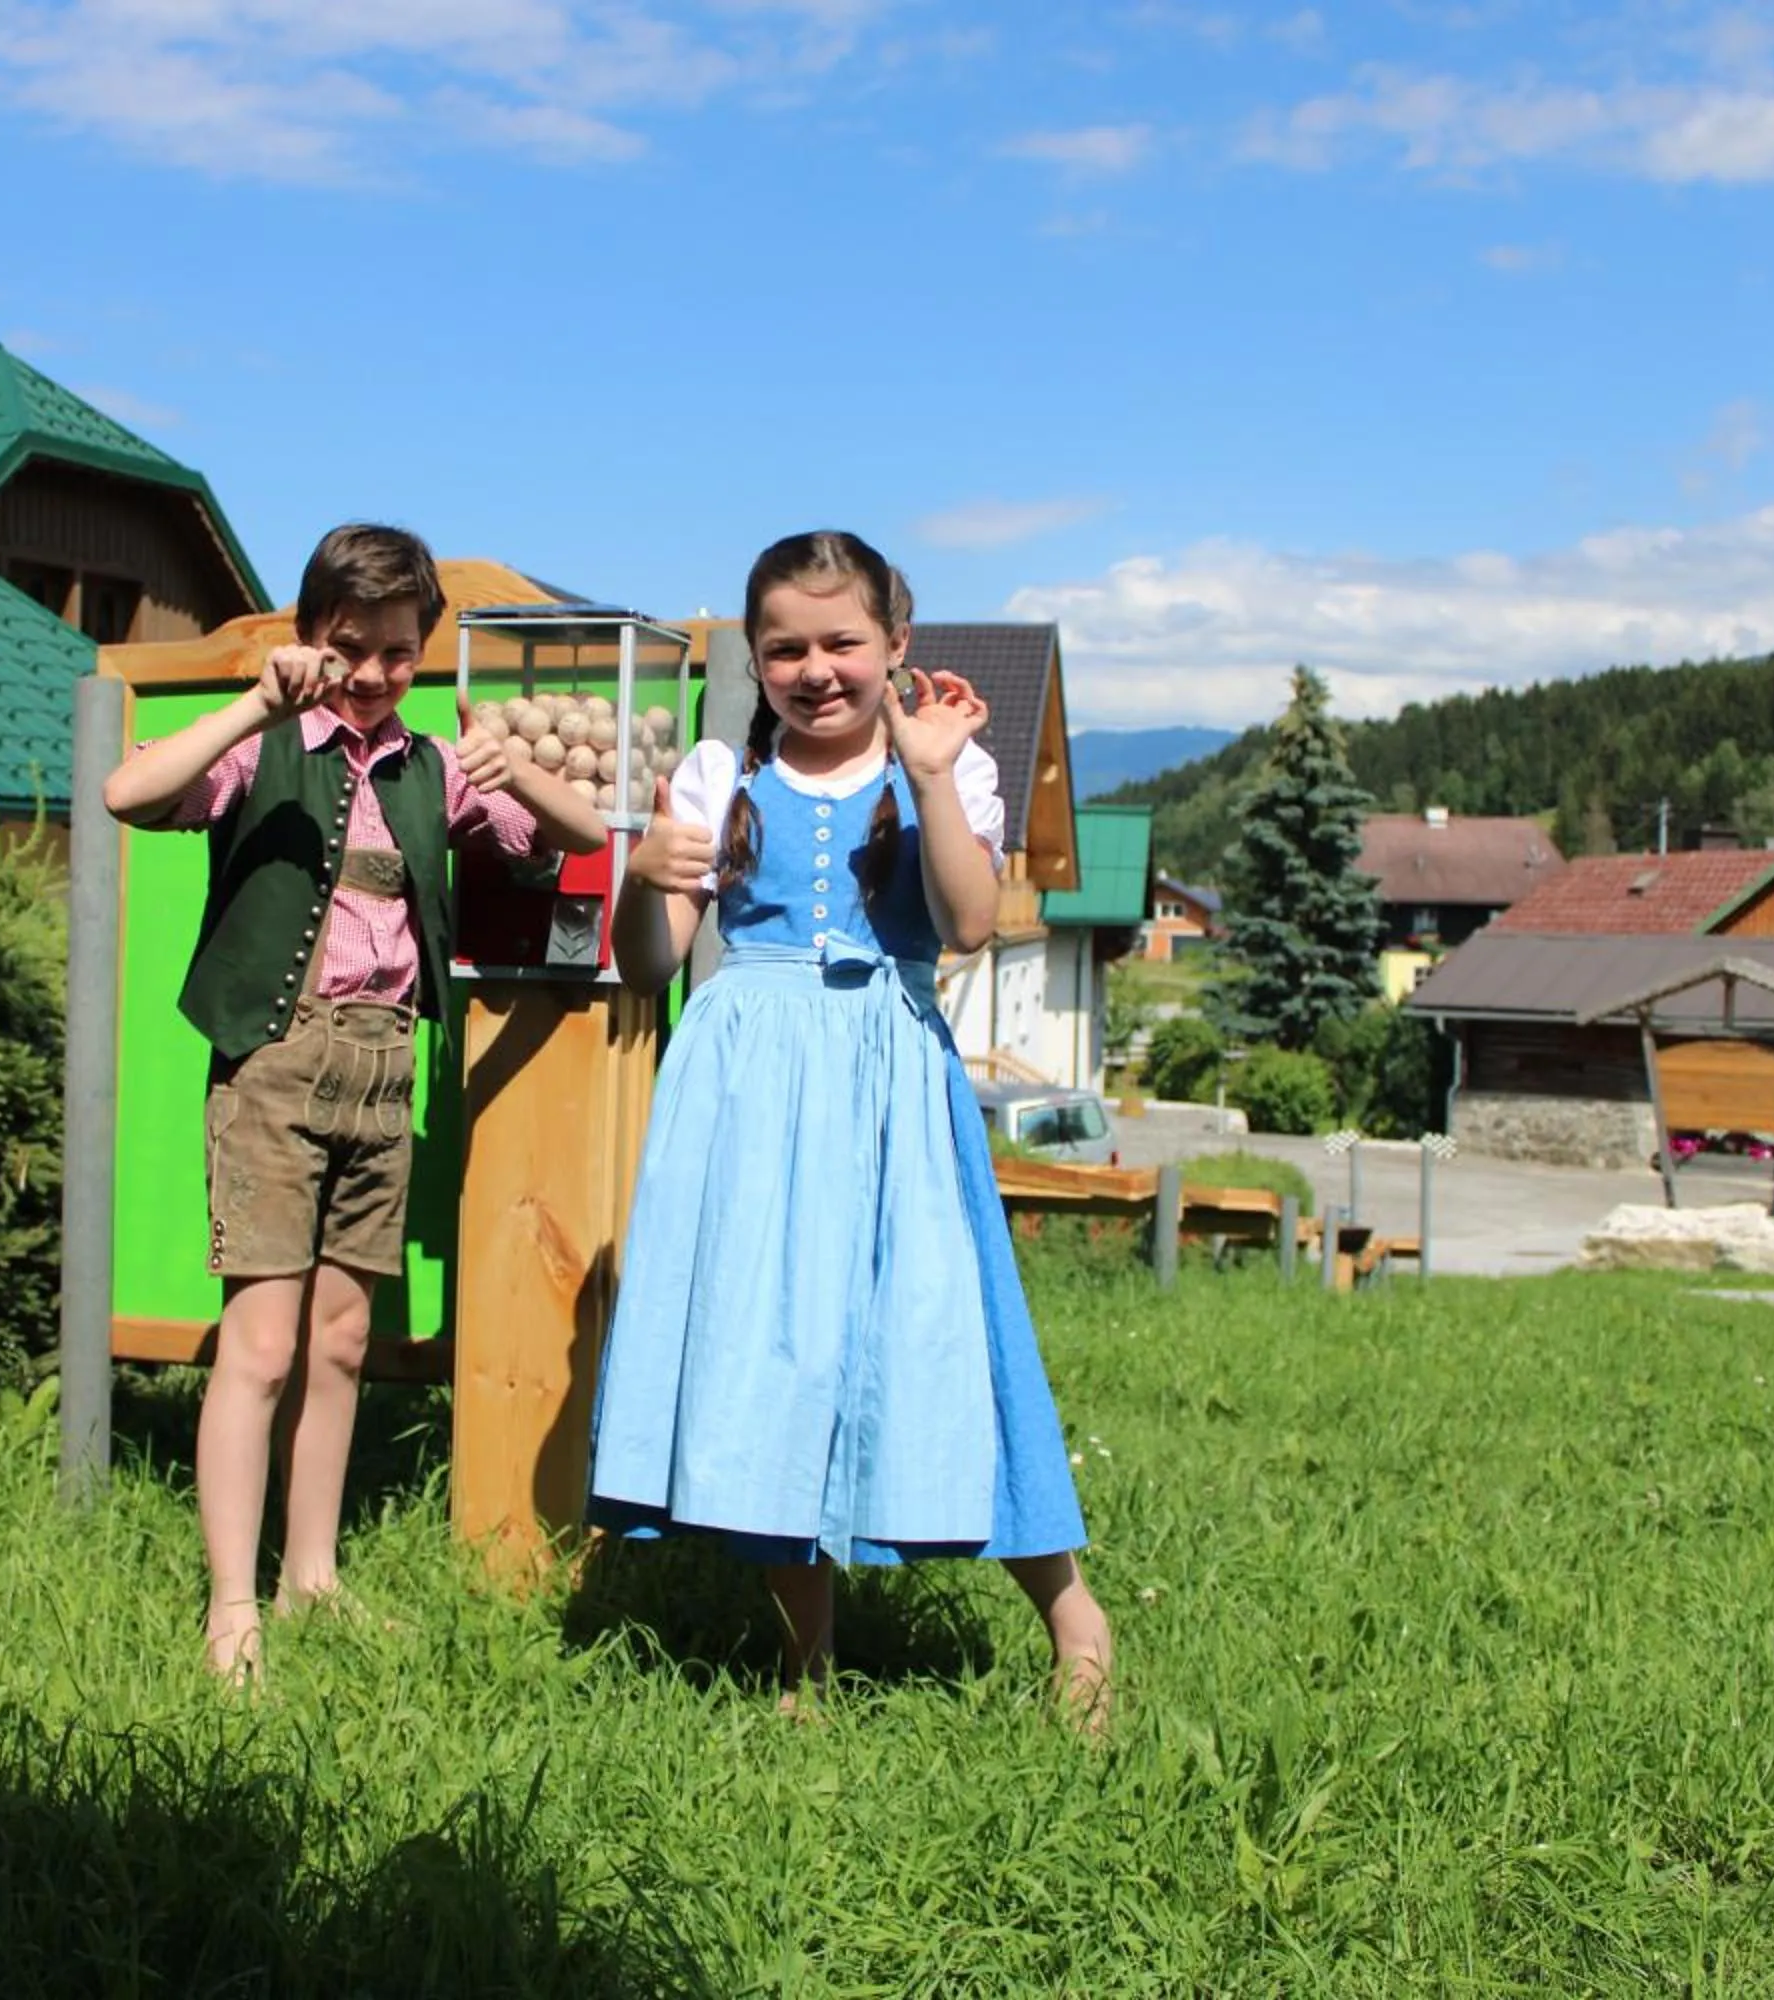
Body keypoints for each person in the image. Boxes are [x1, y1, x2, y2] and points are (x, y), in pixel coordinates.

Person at [587, 529, 1114, 1718]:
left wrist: (930, 773)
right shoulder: (720, 774)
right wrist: (642, 879)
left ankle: (1076, 1622)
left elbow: (971, 923)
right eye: (786, 647)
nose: (815, 668)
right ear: (756, 656)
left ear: (896, 645)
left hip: (889, 1082)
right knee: (777, 1349)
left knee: (944, 1343)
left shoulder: (946, 765)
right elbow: (649, 964)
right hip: (749, 1086)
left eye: (843, 641)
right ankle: (802, 1664)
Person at [104, 522, 607, 1681]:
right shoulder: (263, 746)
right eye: (350, 648)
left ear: (421, 648)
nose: (375, 674)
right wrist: (253, 706)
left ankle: (312, 1575)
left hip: (386, 1071)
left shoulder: (435, 765)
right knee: (263, 1342)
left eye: (396, 650)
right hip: (277, 1066)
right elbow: (130, 789)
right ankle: (232, 1604)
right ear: (308, 640)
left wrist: (510, 766)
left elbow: (586, 836)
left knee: (341, 1340)